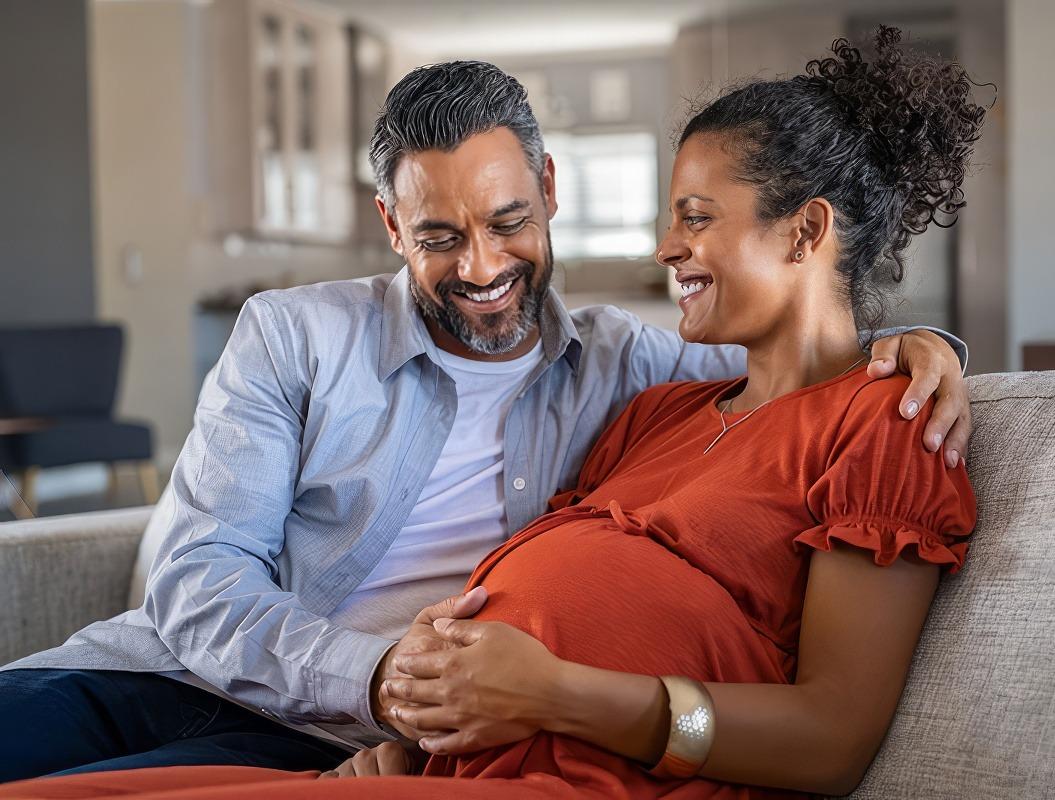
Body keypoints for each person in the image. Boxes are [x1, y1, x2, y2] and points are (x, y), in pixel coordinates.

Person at [0, 25, 982, 800]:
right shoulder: (294, 334)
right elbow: (200, 576)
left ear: (548, 192)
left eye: (509, 221)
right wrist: (380, 676)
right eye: (438, 234)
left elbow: (803, 345)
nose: (480, 266)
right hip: (166, 675)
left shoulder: (630, 362)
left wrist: (926, 346)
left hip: (345, 747)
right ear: (390, 223)